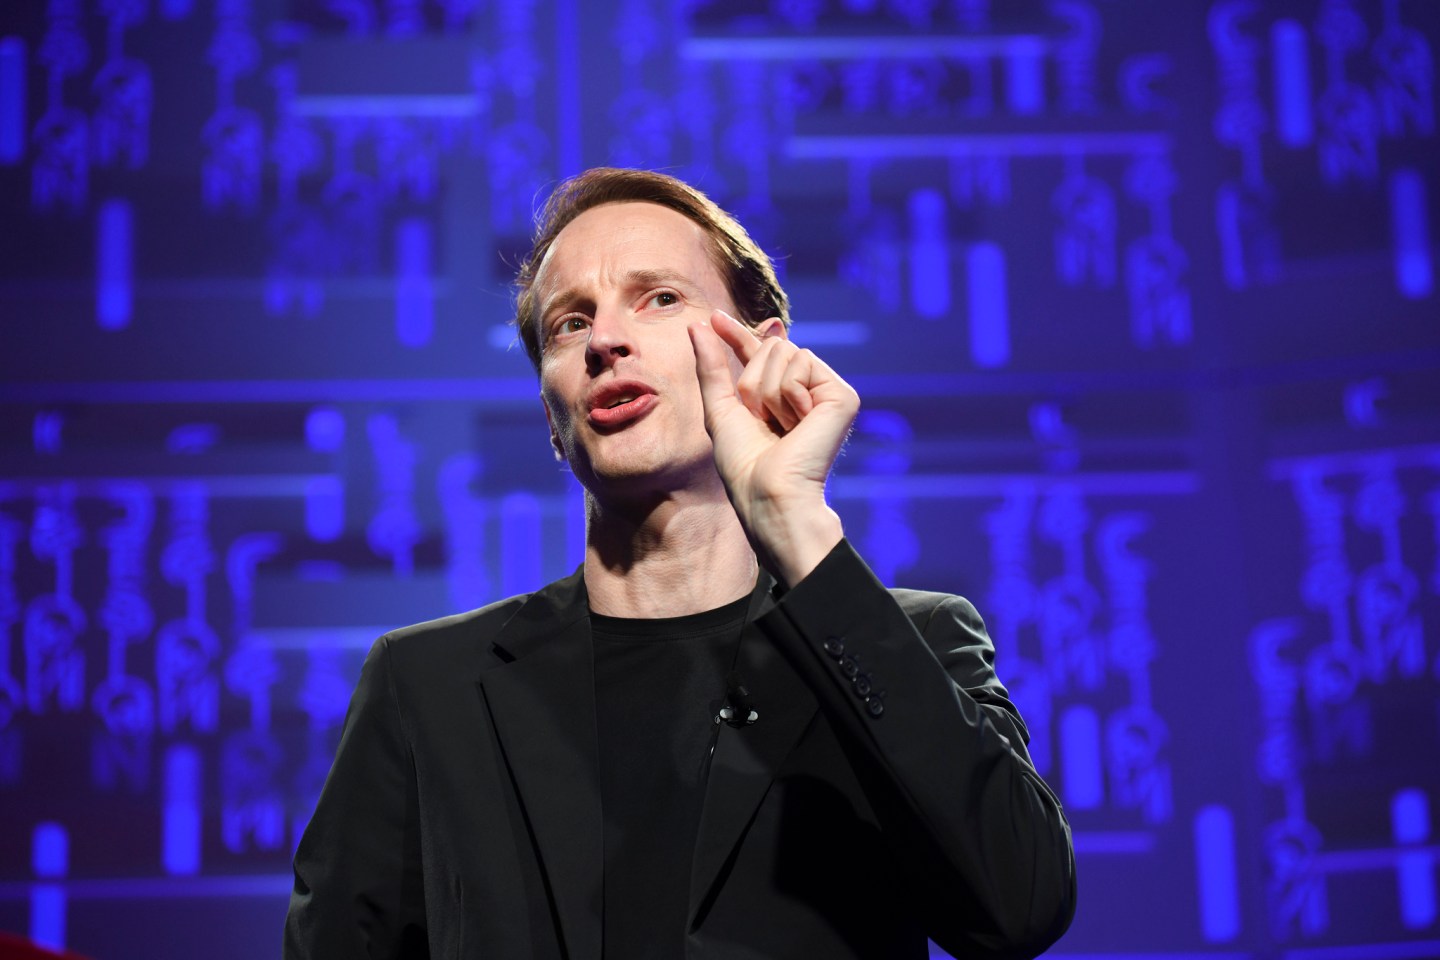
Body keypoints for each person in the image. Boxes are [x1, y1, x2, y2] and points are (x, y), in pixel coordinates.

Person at [284, 167, 1076, 959]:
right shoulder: (426, 687)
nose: (604, 341)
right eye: (569, 323)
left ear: (759, 354)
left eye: (659, 297)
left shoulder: (908, 644)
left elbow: (1020, 905)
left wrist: (797, 528)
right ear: (551, 421)